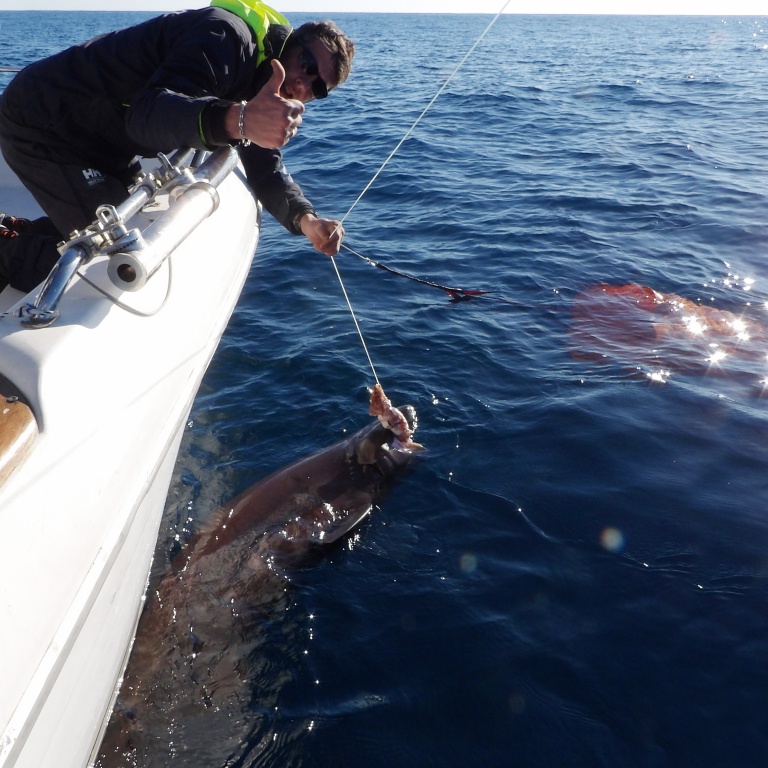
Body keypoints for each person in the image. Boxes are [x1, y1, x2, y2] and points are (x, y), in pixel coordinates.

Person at [0, 0, 354, 293]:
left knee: (127, 229)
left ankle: (15, 229)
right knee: (102, 261)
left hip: (98, 137)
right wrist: (238, 120)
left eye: (318, 88)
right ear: (291, 43)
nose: (303, 84)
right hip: (45, 120)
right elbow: (146, 113)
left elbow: (264, 165)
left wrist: (304, 220)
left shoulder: (258, 79)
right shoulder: (225, 36)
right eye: (307, 65)